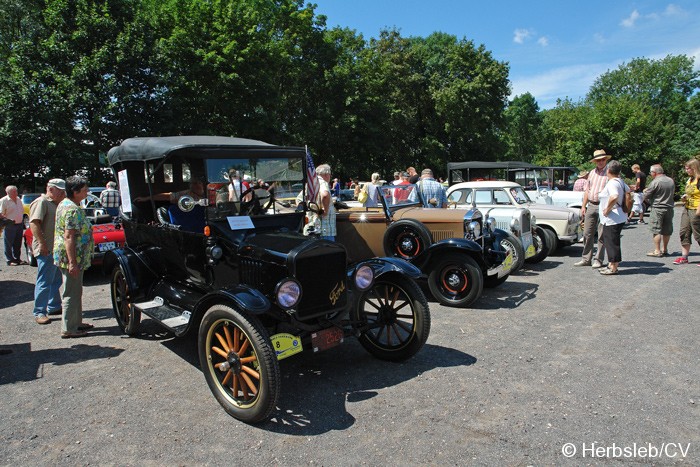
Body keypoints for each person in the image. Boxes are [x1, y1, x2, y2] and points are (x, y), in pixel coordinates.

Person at [54, 176, 94, 338]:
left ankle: (76, 322)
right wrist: (72, 263)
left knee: (76, 290)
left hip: (72, 256)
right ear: (75, 192)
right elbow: (69, 236)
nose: (87, 192)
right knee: (71, 292)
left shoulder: (65, 204)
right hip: (72, 257)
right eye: (84, 190)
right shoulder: (71, 209)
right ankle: (68, 328)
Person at [29, 179, 66, 324]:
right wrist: (42, 244)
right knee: (44, 281)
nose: (63, 193)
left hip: (54, 248)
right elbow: (34, 223)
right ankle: (39, 312)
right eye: (60, 190)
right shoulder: (41, 202)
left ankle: (54, 306)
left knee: (55, 279)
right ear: (50, 189)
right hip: (46, 248)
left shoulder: (55, 203)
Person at [575, 149, 610, 268]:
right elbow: (587, 191)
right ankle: (586, 259)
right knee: (587, 233)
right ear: (595, 161)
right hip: (591, 204)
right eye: (598, 160)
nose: (600, 162)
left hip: (603, 205)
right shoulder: (592, 173)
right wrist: (583, 206)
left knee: (601, 234)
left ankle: (598, 259)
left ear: (606, 160)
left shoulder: (610, 172)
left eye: (603, 159)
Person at [598, 160, 629, 275]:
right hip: (618, 216)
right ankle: (611, 264)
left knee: (611, 242)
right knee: (611, 241)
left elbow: (614, 196)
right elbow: (629, 190)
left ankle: (613, 267)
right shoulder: (620, 181)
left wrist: (607, 209)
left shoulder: (612, 183)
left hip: (612, 218)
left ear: (608, 170)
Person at [643, 164, 675, 257]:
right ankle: (665, 249)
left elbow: (647, 195)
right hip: (669, 207)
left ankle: (657, 250)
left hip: (657, 208)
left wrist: (645, 192)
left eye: (651, 172)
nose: (650, 174)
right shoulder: (670, 180)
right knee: (667, 230)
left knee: (656, 230)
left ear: (654, 173)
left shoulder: (655, 182)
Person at [674, 158, 700, 265]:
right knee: (684, 232)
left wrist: (698, 212)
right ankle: (684, 257)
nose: (686, 171)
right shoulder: (690, 180)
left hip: (696, 209)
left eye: (688, 168)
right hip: (687, 208)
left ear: (694, 168)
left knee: (698, 234)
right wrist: (685, 197)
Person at [1, 185, 26, 266]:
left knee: (18, 243)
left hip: (19, 224)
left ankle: (17, 259)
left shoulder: (18, 199)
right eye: (14, 191)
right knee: (8, 243)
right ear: (8, 193)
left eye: (16, 191)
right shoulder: (4, 200)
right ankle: (9, 260)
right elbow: (1, 213)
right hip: (10, 225)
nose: (16, 193)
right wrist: (7, 221)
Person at [135, 178, 206, 203]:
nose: (196, 186)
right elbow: (167, 196)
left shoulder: (211, 193)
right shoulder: (186, 193)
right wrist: (147, 198)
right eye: (193, 183)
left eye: (198, 183)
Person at [315, 164, 336, 241]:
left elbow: (299, 199)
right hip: (325, 228)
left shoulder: (311, 184)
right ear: (326, 174)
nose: (330, 177)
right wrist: (326, 210)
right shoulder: (323, 183)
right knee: (329, 251)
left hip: (315, 227)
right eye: (330, 175)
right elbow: (325, 195)